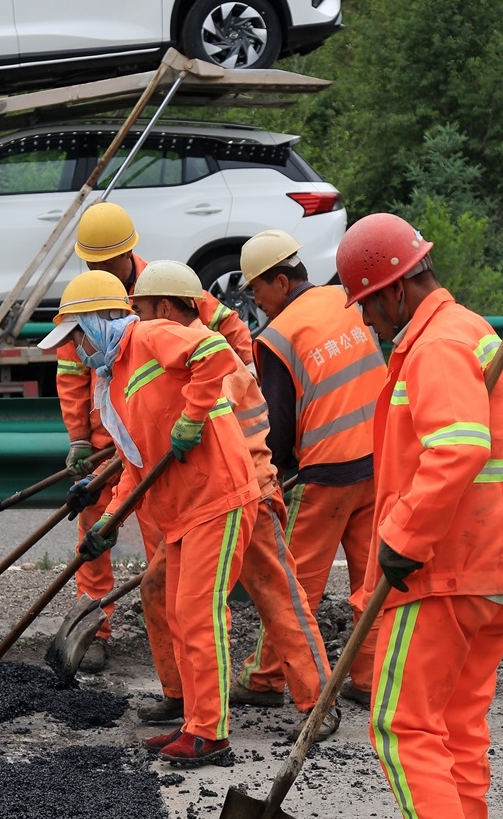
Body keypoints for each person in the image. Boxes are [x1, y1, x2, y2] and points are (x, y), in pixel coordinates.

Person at [336, 213, 503, 819]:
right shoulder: (462, 332)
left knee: (402, 722)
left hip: (446, 571)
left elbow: (457, 450)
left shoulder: (434, 348)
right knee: (456, 728)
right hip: (494, 568)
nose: (364, 319)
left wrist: (400, 539)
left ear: (394, 291)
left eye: (365, 303)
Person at [129, 261, 338, 743]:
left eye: (141, 310)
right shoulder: (171, 355)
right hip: (204, 506)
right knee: (159, 589)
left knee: (276, 596)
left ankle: (317, 702)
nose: (138, 321)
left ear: (164, 307)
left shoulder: (206, 356)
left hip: (249, 495)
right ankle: (182, 696)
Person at [53, 201, 252, 672]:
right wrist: (79, 438)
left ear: (129, 255)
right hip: (115, 442)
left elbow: (225, 337)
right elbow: (70, 372)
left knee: (166, 560)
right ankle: (96, 626)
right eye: (92, 263)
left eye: (107, 262)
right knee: (95, 527)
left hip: (167, 444)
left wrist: (217, 402)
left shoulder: (162, 290)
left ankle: (188, 661)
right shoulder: (85, 303)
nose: (100, 269)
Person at [79, 264, 260, 767]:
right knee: (183, 616)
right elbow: (138, 468)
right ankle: (194, 724)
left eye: (77, 332)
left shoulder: (150, 333)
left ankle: (211, 734)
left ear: (101, 320)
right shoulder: (114, 381)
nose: (74, 347)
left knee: (201, 616)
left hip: (218, 497)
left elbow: (215, 352)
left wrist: (192, 416)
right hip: (182, 509)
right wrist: (106, 522)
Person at [240, 229, 387, 707]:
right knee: (370, 582)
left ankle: (265, 678)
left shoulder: (277, 337)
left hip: (325, 474)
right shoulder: (344, 299)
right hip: (380, 458)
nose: (256, 301)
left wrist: (273, 472)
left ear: (281, 282)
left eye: (256, 289)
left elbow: (277, 425)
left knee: (293, 586)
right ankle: (367, 680)